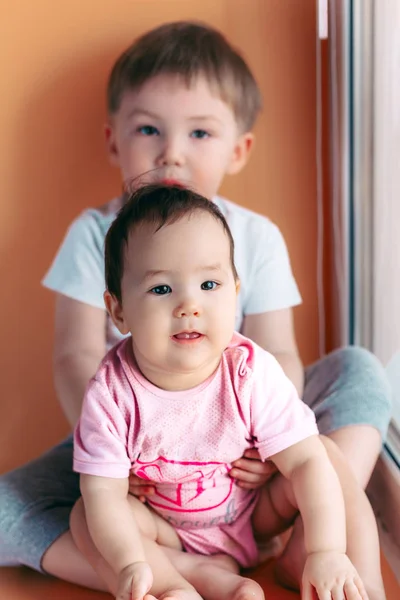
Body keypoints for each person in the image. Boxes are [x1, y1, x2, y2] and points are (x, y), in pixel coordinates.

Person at [0, 20, 390, 596]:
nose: (171, 153)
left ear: (239, 149)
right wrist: (116, 460)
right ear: (114, 139)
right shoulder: (95, 235)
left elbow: (279, 348)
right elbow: (76, 353)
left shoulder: (256, 236)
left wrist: (265, 445)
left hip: (241, 442)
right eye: (149, 129)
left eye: (200, 133)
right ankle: (182, 575)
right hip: (133, 444)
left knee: (358, 372)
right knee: (14, 512)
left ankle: (309, 537)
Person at [70, 183, 370, 600]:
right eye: (161, 289)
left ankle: (344, 570)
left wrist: (327, 549)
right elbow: (104, 493)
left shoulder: (248, 370)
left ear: (235, 291)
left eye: (209, 285)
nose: (189, 305)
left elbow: (303, 461)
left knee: (322, 456)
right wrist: (130, 560)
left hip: (256, 516)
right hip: (164, 529)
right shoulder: (111, 391)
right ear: (118, 310)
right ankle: (175, 586)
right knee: (87, 513)